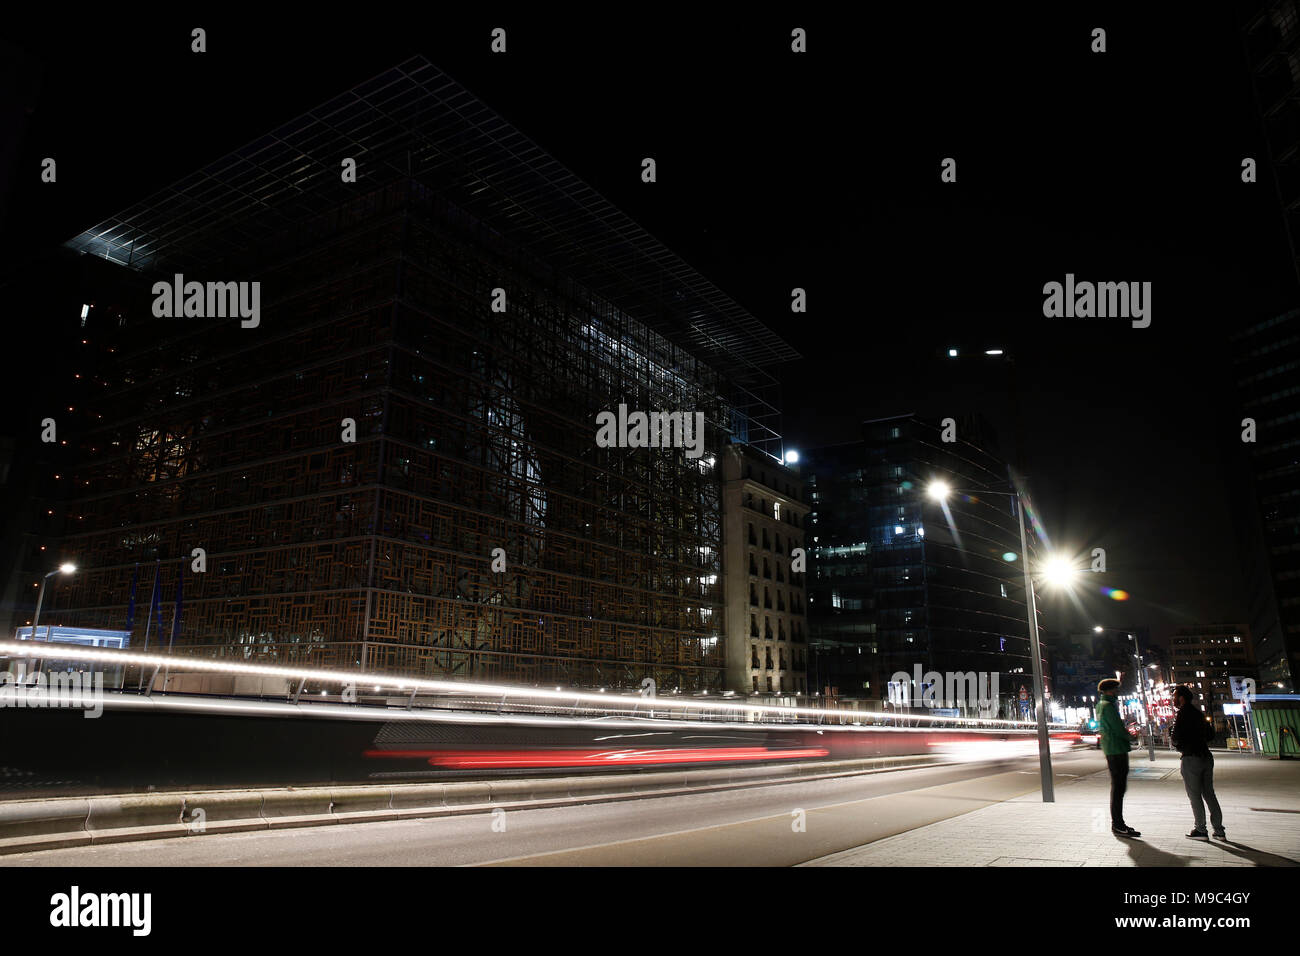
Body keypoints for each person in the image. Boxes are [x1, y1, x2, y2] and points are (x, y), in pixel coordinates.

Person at [1171, 685, 1224, 840]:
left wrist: (1178, 744)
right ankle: (1219, 830)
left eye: (1174, 696)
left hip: (1190, 758)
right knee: (1209, 794)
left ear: (1181, 698)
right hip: (1206, 756)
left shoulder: (1181, 714)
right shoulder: (1198, 713)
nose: (1173, 699)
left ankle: (1200, 830)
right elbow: (1210, 734)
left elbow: (1175, 738)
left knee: (1195, 795)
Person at [1097, 678, 1140, 837]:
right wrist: (1131, 737)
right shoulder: (1108, 707)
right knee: (1119, 788)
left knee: (1118, 787)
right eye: (1116, 689)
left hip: (1111, 749)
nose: (1118, 691)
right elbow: (1118, 729)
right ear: (1110, 690)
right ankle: (1118, 824)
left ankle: (1118, 823)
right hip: (1117, 749)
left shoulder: (1101, 705)